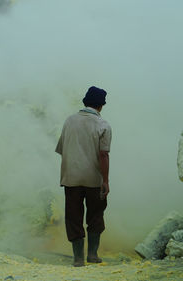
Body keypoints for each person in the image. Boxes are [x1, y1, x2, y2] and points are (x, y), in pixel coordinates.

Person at [55, 86, 112, 267]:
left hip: (71, 178)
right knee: (95, 214)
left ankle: (78, 258)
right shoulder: (103, 125)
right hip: (93, 180)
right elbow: (103, 155)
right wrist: (105, 180)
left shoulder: (69, 121)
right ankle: (93, 255)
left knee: (73, 216)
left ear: (85, 102)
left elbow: (62, 149)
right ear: (101, 106)